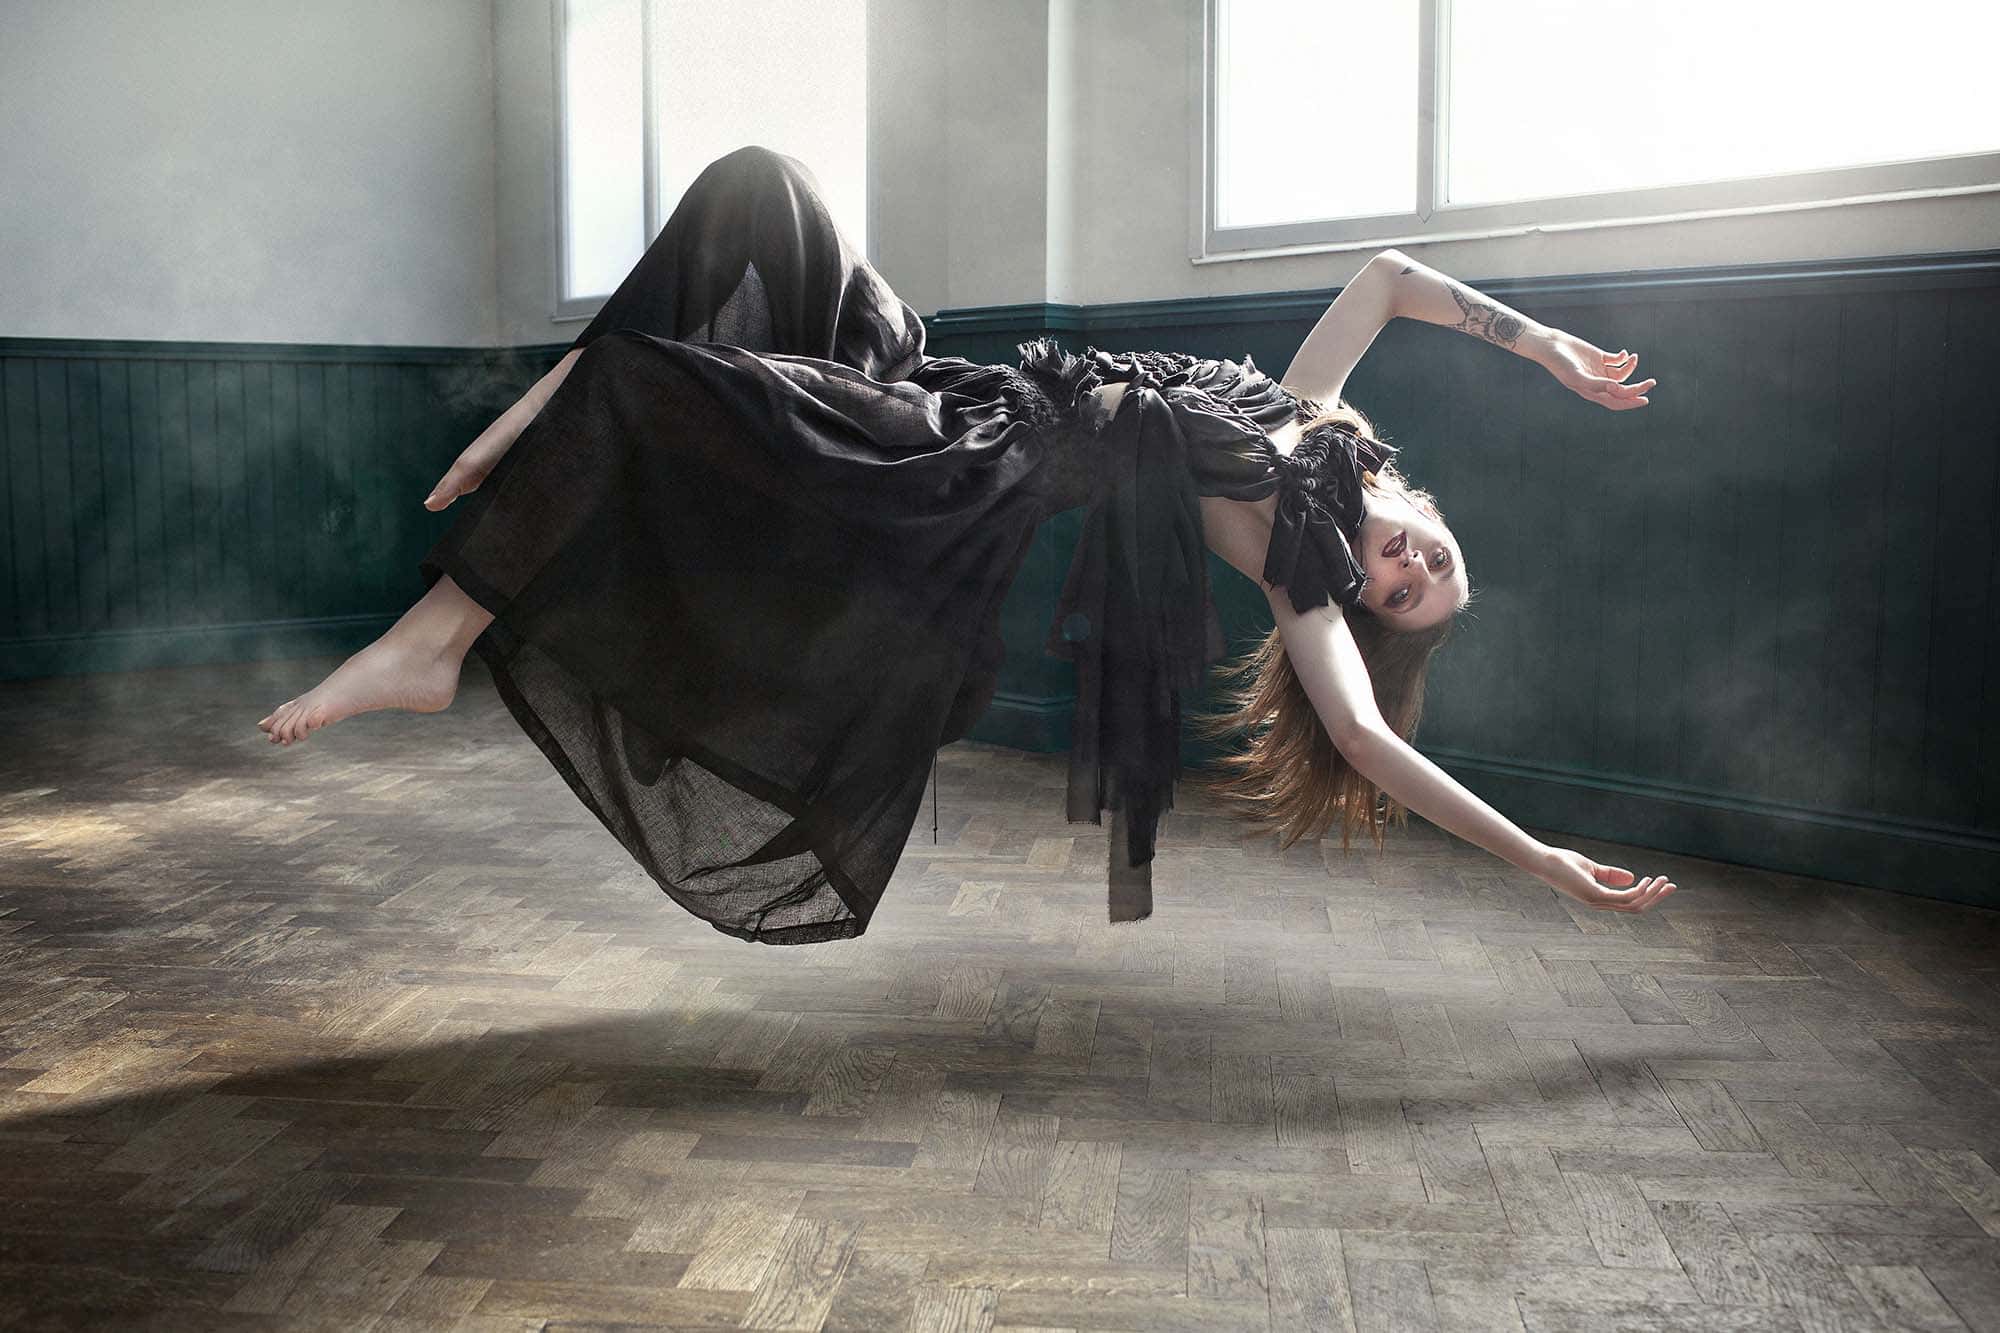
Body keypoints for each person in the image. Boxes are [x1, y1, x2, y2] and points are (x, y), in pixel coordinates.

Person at [257, 144, 1675, 942]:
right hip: (949, 385)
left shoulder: (1294, 559)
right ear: (1430, 511)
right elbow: (1389, 276)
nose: (1405, 573)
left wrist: (1541, 858)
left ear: (1357, 597)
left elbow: (1367, 745)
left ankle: (437, 634)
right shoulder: (1320, 410)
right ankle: (536, 413)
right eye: (1431, 561)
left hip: (949, 470)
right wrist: (1540, 341)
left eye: (1396, 596)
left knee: (648, 385)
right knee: (757, 188)